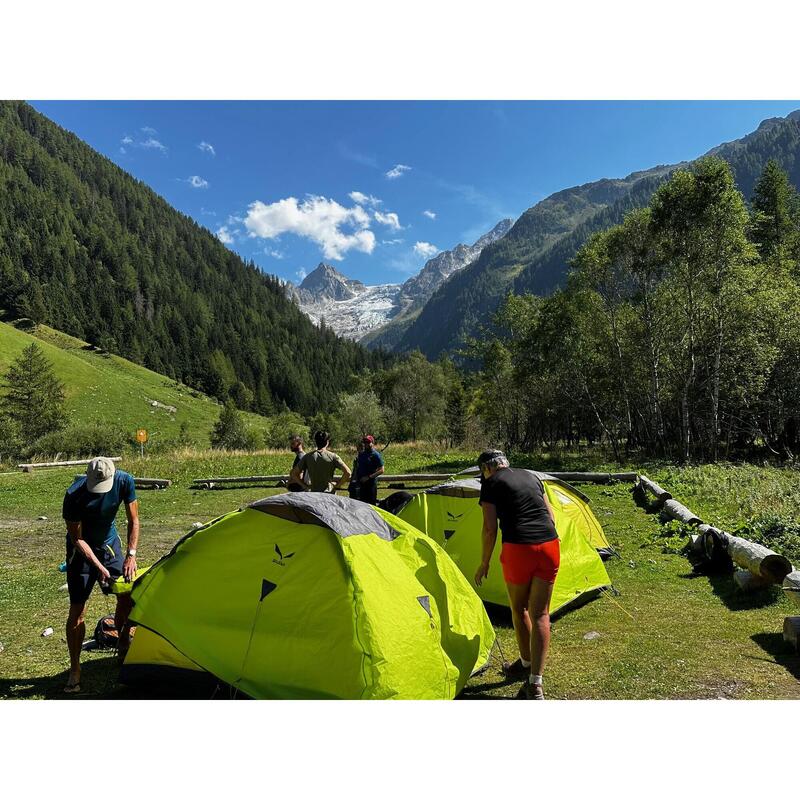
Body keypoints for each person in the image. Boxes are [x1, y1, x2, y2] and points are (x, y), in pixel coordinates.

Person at [473, 450, 560, 700]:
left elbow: (490, 529)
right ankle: (534, 680)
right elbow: (550, 515)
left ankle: (525, 664)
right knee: (541, 614)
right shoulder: (532, 476)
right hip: (549, 546)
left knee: (519, 608)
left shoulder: (491, 484)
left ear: (486, 469)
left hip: (518, 548)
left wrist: (484, 563)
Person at [62, 457, 139, 693]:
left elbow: (133, 520)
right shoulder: (74, 495)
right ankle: (75, 668)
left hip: (109, 545)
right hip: (82, 552)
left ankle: (124, 640)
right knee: (78, 610)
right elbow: (77, 539)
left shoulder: (125, 481)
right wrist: (99, 567)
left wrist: (131, 555)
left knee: (125, 596)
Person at [355, 435, 385, 505]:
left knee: (371, 505)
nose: (366, 444)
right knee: (361, 504)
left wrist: (368, 477)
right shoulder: (361, 454)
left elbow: (382, 470)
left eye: (368, 442)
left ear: (372, 443)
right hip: (361, 484)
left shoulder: (376, 455)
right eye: (365, 442)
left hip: (371, 484)